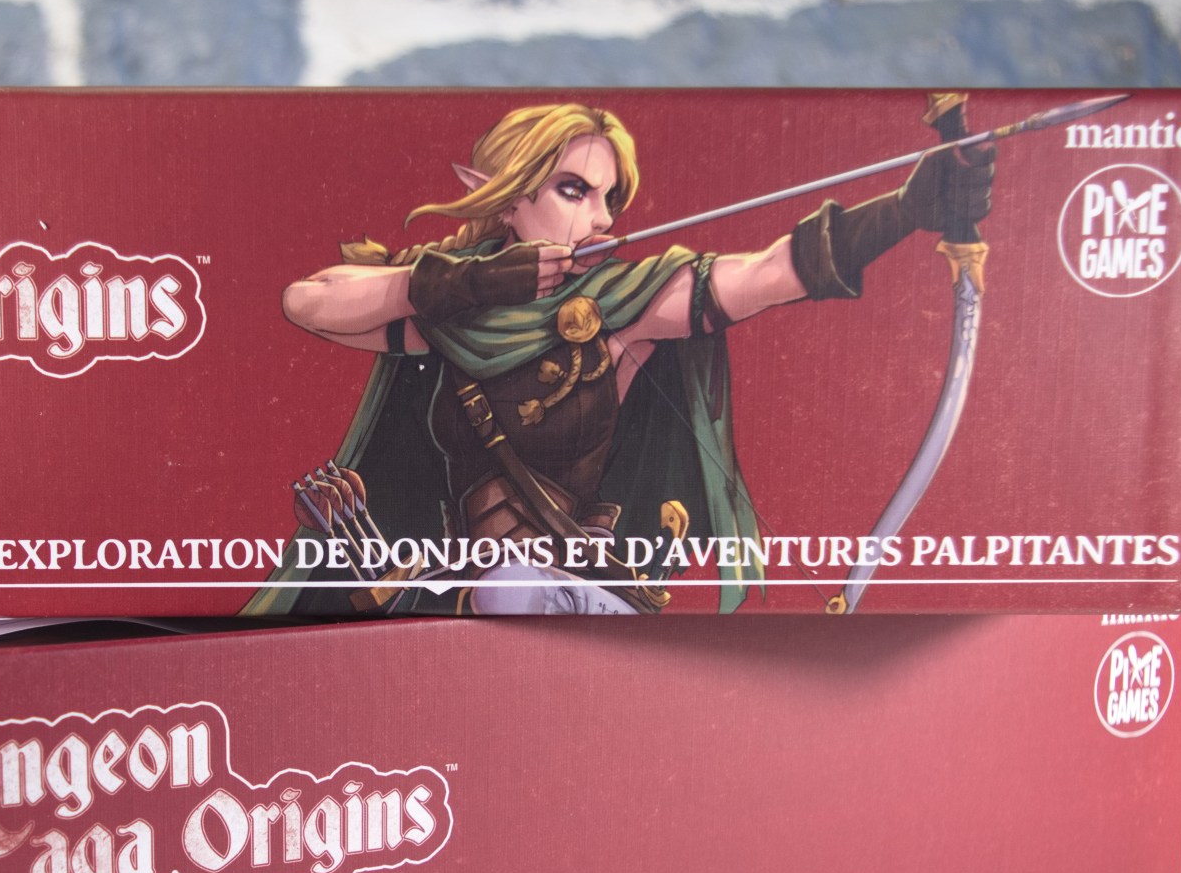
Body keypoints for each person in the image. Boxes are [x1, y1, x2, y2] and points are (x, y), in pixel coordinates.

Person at [244, 102, 994, 616]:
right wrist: (477, 282)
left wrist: (908, 209)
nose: (601, 219)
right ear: (505, 198)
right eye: (574, 190)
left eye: (610, 198)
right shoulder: (453, 307)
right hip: (481, 601)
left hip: (579, 596)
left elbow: (764, 274)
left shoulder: (618, 302)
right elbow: (309, 301)